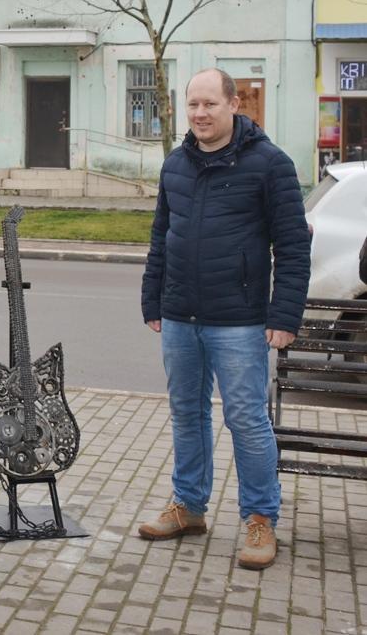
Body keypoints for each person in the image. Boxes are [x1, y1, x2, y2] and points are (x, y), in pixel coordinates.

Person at [138, 68, 310, 570]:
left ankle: (260, 518)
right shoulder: (176, 164)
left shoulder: (270, 164)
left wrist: (284, 314)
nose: (200, 114)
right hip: (180, 317)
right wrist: (153, 299)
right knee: (187, 414)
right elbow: (159, 236)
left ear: (235, 104)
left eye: (210, 104)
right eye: (193, 104)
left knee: (246, 420)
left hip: (239, 320)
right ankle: (189, 507)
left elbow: (294, 247)